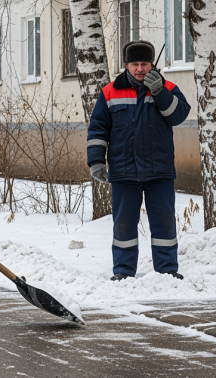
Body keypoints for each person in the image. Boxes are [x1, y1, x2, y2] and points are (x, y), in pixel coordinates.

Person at [87, 40, 191, 281]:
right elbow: (98, 130)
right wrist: (96, 161)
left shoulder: (168, 88)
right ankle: (123, 272)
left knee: (164, 224)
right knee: (123, 224)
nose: (140, 69)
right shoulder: (109, 92)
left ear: (152, 64)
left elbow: (179, 116)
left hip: (160, 171)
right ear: (126, 65)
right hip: (124, 172)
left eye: (144, 64)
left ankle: (167, 271)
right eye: (135, 64)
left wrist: (160, 92)